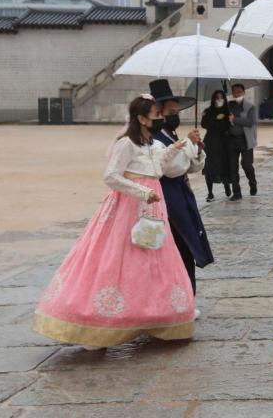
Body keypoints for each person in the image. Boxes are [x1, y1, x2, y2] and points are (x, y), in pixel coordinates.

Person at [33, 95, 196, 349]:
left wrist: (178, 147)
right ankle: (99, 321)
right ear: (141, 118)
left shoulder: (151, 142)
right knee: (117, 257)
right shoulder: (126, 143)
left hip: (153, 206)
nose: (160, 119)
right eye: (155, 116)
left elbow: (158, 168)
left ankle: (152, 313)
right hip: (128, 207)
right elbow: (110, 176)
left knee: (151, 256)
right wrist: (141, 192)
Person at [149, 80, 215, 302]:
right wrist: (187, 144)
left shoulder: (171, 135)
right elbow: (171, 169)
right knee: (177, 246)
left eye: (176, 112)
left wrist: (195, 147)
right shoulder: (154, 139)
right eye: (170, 112)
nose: (173, 116)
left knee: (185, 247)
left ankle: (187, 295)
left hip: (181, 195)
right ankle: (177, 298)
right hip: (168, 199)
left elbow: (192, 166)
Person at [227, 83, 258, 200]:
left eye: (239, 91)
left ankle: (252, 181)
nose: (237, 94)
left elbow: (250, 121)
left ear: (244, 92)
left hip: (246, 140)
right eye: (234, 92)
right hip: (232, 140)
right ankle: (237, 193)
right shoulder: (229, 105)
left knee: (246, 165)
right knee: (233, 167)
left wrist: (234, 119)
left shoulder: (250, 106)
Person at [201, 90, 232, 202]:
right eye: (217, 98)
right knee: (209, 167)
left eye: (221, 97)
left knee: (223, 165)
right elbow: (204, 124)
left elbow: (226, 127)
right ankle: (210, 192)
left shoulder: (228, 111)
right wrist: (215, 119)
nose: (219, 100)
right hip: (210, 142)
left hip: (223, 143)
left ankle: (227, 185)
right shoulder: (208, 111)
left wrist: (226, 119)